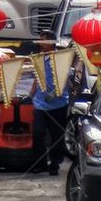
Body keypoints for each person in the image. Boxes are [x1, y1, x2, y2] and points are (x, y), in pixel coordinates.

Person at [29, 31, 72, 176]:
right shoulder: (39, 58)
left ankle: (54, 164)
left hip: (58, 103)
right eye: (40, 40)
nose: (41, 43)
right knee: (38, 132)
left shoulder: (60, 58)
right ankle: (39, 163)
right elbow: (37, 77)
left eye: (44, 41)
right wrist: (31, 94)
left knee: (56, 136)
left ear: (52, 43)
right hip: (40, 103)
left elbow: (66, 77)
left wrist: (55, 93)